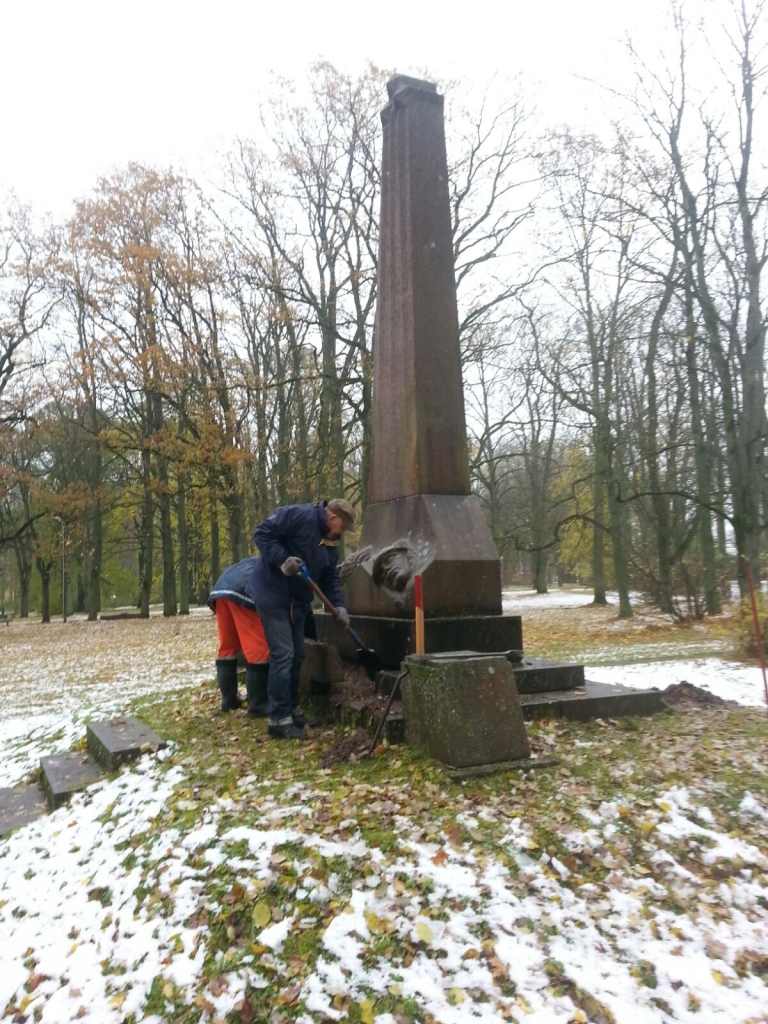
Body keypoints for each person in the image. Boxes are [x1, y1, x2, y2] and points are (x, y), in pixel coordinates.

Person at [245, 498, 354, 740]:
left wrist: (339, 606)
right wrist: (283, 559)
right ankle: (277, 720)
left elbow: (330, 579)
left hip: (298, 602)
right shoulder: (297, 516)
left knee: (297, 655)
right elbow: (261, 533)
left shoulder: (330, 544)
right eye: (343, 528)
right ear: (333, 518)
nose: (342, 534)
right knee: (283, 654)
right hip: (272, 595)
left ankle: (290, 710)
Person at [207, 557, 270, 717]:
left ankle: (229, 699)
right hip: (244, 592)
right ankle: (258, 704)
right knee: (258, 649)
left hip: (221, 590)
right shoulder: (278, 563)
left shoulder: (256, 560)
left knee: (228, 645)